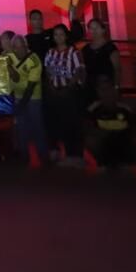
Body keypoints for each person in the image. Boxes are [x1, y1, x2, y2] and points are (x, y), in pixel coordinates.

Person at [85, 78, 136, 178]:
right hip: (103, 143)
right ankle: (105, 164)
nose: (107, 93)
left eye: (109, 89)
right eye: (102, 90)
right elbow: (87, 129)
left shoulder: (125, 109)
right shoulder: (93, 109)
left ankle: (124, 164)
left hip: (123, 142)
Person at [43, 23, 85, 167]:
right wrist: (52, 87)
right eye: (55, 34)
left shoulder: (74, 52)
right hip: (55, 91)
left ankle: (74, 154)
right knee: (55, 122)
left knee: (71, 123)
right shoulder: (50, 52)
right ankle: (56, 151)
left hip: (69, 92)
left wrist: (69, 87)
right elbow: (48, 71)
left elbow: (79, 71)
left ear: (66, 36)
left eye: (61, 34)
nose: (58, 37)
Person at [7, 33, 47, 167]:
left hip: (33, 97)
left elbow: (31, 87)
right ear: (12, 48)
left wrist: (20, 105)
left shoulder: (34, 60)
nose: (19, 50)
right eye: (16, 47)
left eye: (21, 47)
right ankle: (25, 157)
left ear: (26, 46)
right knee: (21, 129)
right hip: (17, 97)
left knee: (37, 128)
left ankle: (43, 157)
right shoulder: (9, 57)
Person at [81, 18, 121, 101]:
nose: (94, 31)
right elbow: (83, 69)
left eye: (97, 28)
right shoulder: (85, 49)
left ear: (103, 30)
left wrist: (116, 87)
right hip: (90, 85)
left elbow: (117, 69)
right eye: (91, 28)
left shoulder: (110, 48)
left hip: (106, 86)